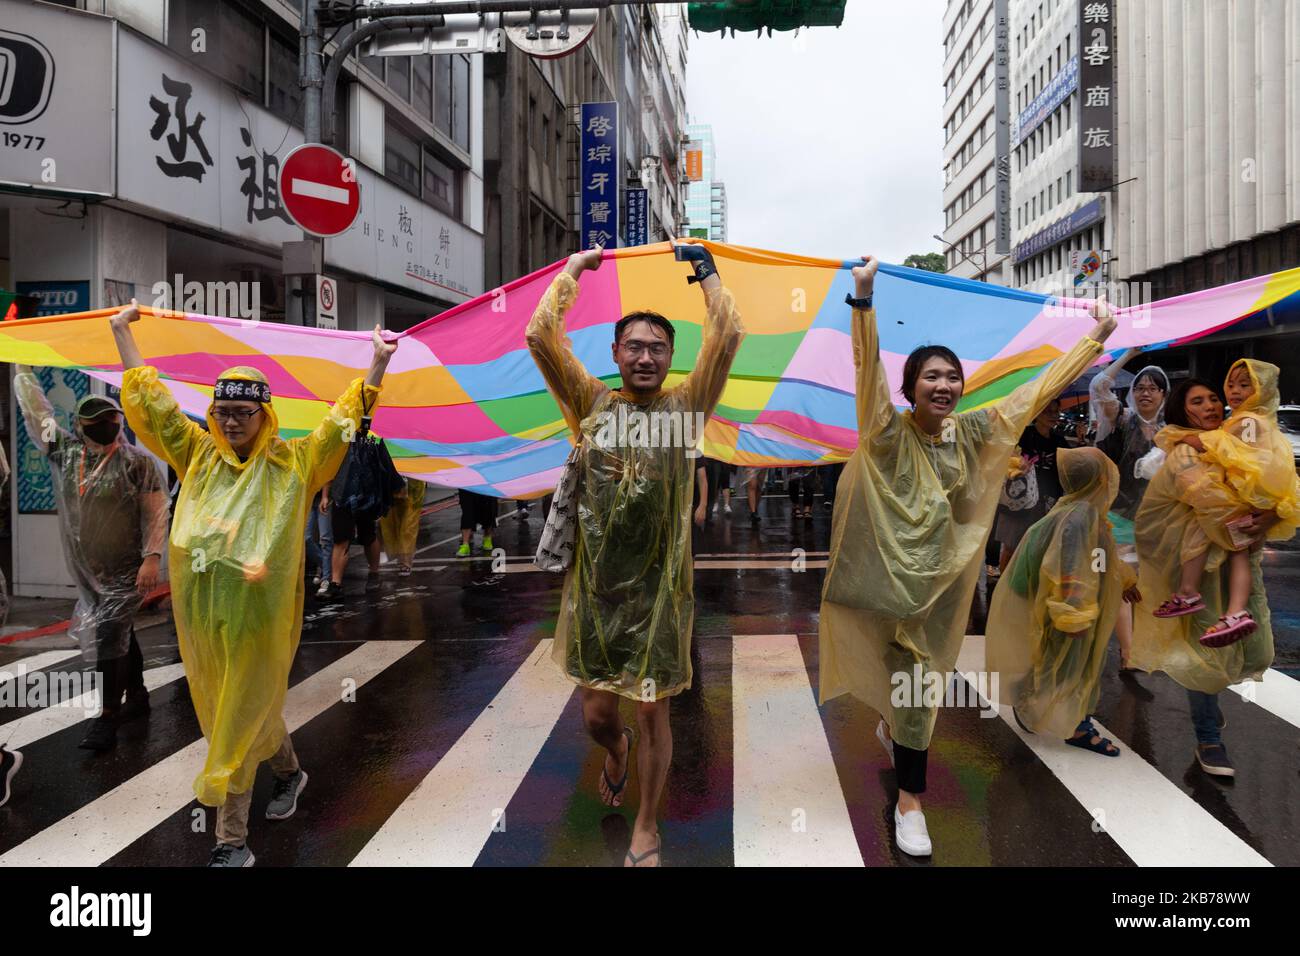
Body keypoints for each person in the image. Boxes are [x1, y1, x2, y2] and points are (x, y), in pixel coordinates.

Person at [819, 255, 1117, 857]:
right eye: (931, 375)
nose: (944, 385)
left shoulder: (974, 431)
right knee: (900, 687)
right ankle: (898, 733)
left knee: (919, 689)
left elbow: (1033, 395)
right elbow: (865, 375)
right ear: (910, 389)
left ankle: (911, 803)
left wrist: (1094, 340)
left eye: (952, 376)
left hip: (938, 594)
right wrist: (864, 299)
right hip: (882, 587)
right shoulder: (885, 432)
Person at [109, 298, 396, 866]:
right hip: (205, 619)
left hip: (262, 621)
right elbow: (151, 401)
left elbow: (341, 422)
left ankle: (231, 842)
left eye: (245, 410)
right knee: (243, 711)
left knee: (235, 716)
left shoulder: (295, 464)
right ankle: (290, 773)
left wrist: (377, 363)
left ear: (265, 414)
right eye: (225, 410)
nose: (233, 419)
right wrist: (122, 333)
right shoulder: (196, 455)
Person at [525, 243, 743, 867]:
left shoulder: (686, 410)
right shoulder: (590, 405)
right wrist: (570, 272)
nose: (646, 356)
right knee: (599, 718)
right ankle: (613, 751)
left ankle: (647, 822)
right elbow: (541, 335)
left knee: (653, 714)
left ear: (671, 358)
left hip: (660, 600)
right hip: (596, 597)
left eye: (658, 348)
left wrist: (705, 273)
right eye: (634, 346)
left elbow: (726, 335)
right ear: (616, 354)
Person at [1131, 378, 1282, 778]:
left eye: (1214, 397)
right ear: (1184, 411)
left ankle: (1210, 710)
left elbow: (1272, 485)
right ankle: (1209, 737)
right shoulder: (1183, 453)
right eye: (1198, 401)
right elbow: (1213, 504)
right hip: (1198, 570)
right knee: (1205, 656)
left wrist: (1272, 512)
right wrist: (1259, 515)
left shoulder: (1236, 443)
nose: (1211, 405)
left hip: (1237, 563)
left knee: (1259, 650)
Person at [13, 367, 169, 751]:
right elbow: (38, 415)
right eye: (95, 421)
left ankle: (107, 718)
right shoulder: (64, 452)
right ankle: (138, 694)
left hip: (127, 569)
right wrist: (21, 369)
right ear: (79, 426)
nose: (104, 426)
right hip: (88, 568)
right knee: (119, 633)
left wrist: (152, 558)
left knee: (108, 635)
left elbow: (156, 511)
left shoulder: (136, 462)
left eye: (111, 420)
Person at [986, 447, 1140, 754]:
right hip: (1065, 605)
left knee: (1058, 658)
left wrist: (1123, 580)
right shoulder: (1079, 517)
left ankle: (1029, 695)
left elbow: (1100, 555)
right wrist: (1072, 615)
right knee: (1073, 664)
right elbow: (1068, 565)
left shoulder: (1081, 510)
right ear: (1099, 480)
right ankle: (1076, 727)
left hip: (1059, 601)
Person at [1150, 360, 1298, 645]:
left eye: (1245, 385)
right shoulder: (1242, 423)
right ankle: (1225, 609)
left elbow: (1232, 450)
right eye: (1230, 384)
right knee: (1237, 554)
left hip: (1240, 508)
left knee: (1235, 553)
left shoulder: (1247, 422)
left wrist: (1197, 441)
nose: (1234, 391)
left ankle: (1210, 602)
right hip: (1226, 546)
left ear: (1262, 389)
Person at [1090, 350, 1171, 671]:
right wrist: (1129, 355)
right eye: (1139, 387)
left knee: (1148, 587)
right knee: (1125, 585)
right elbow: (1099, 385)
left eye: (1153, 388)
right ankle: (1127, 653)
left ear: (1164, 395)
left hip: (1156, 522)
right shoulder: (1121, 419)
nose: (1145, 393)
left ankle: (1142, 646)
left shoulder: (1170, 432)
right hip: (1119, 516)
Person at [993, 399, 1070, 571]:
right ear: (1037, 413)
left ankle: (1026, 588)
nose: (1053, 415)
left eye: (1056, 411)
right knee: (1012, 547)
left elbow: (1069, 467)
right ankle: (1003, 588)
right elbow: (1003, 455)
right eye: (1047, 411)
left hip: (1048, 502)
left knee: (1039, 548)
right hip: (1019, 501)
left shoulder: (1059, 440)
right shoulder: (1022, 435)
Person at [321, 448, 383, 599]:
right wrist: (324, 495)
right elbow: (329, 467)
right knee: (340, 539)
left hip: (365, 495)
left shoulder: (369, 439)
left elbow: (380, 466)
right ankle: (335, 583)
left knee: (368, 536)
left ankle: (374, 573)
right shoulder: (338, 439)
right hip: (342, 496)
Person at [380, 478, 426, 574]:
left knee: (409, 524)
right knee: (392, 521)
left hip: (413, 484)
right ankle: (400, 554)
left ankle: (405, 559)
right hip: (393, 482)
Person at [456, 489, 498, 556]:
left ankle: (487, 538)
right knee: (467, 514)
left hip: (486, 487)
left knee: (488, 511)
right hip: (467, 487)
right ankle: (465, 545)